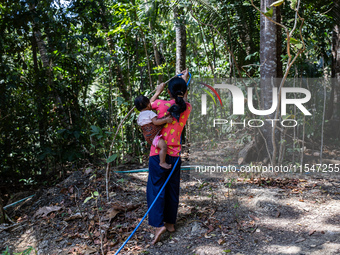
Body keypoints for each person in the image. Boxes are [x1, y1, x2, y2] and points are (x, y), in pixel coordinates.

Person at [147, 69, 191, 245]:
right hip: (175, 155)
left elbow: (146, 107)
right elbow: (184, 98)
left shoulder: (160, 104)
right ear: (184, 92)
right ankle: (170, 223)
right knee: (172, 188)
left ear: (168, 92)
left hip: (158, 155)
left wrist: (157, 91)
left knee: (156, 188)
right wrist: (184, 81)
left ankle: (158, 225)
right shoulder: (186, 108)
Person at [134, 95, 173, 169]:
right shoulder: (150, 113)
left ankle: (162, 162)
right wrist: (165, 120)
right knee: (164, 147)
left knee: (162, 146)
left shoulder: (139, 116)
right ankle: (162, 162)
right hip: (154, 136)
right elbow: (156, 122)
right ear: (149, 104)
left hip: (148, 138)